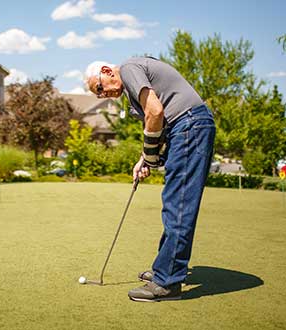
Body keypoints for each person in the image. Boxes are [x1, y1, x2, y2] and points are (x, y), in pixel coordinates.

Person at [85, 57, 215, 302]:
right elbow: (156, 126)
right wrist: (146, 159)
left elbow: (156, 111)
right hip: (184, 127)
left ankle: (167, 283)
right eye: (99, 95)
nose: (104, 96)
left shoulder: (129, 70)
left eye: (100, 89)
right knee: (174, 202)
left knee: (178, 204)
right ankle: (163, 270)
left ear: (106, 71)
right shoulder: (132, 92)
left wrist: (150, 154)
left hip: (190, 125)